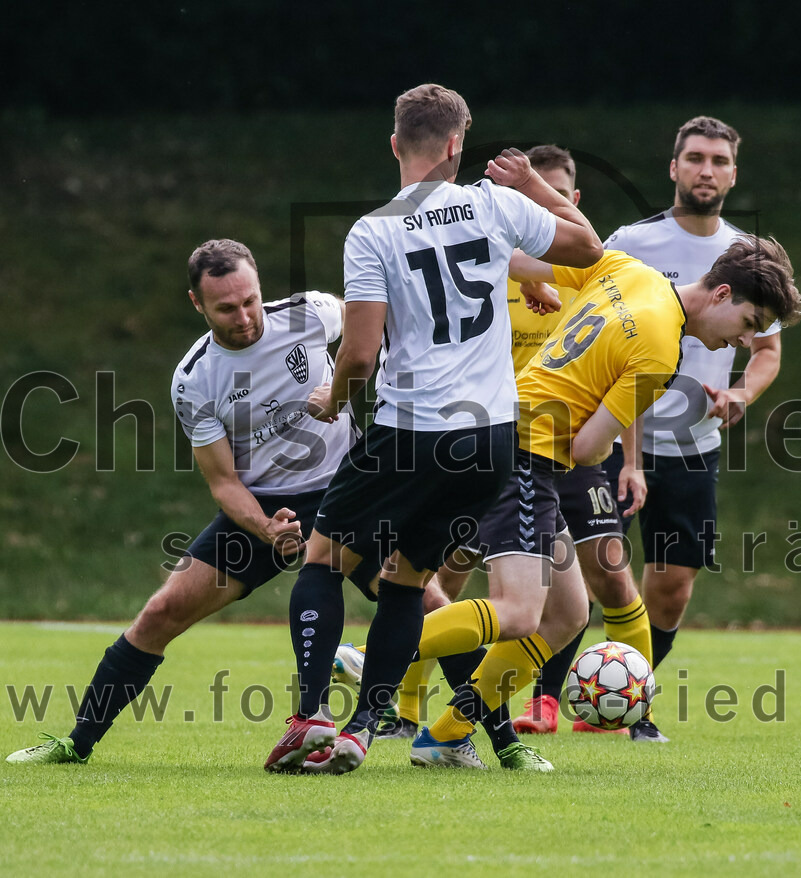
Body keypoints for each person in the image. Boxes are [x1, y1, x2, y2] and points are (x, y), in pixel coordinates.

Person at [263, 83, 603, 774]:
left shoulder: (374, 230)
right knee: (407, 580)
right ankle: (361, 729)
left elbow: (358, 354)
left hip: (412, 429)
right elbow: (590, 248)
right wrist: (537, 186)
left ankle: (309, 719)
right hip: (492, 442)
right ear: (456, 145)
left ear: (395, 144)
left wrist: (332, 402)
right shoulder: (493, 204)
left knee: (324, 562)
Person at [405, 237, 801, 768]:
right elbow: (589, 447)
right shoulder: (662, 350)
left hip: (508, 436)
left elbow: (529, 262)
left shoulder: (631, 271)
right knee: (520, 612)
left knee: (569, 614)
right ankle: (377, 654)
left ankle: (446, 735)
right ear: (722, 294)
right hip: (524, 451)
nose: (740, 341)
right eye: (749, 324)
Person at [6, 239, 356, 766]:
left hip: (346, 487)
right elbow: (223, 483)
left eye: (250, 300)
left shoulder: (311, 314)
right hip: (262, 504)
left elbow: (373, 332)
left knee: (415, 598)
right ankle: (76, 743)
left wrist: (346, 393)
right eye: (226, 308)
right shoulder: (195, 379)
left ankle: (476, 736)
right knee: (160, 612)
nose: (245, 318)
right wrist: (265, 529)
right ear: (197, 304)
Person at [387, 145, 652, 749]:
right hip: (504, 442)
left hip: (574, 452)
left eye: (547, 199)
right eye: (527, 200)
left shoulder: (593, 278)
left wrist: (631, 461)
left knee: (600, 583)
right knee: (457, 578)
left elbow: (625, 380)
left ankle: (635, 713)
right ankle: (403, 701)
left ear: (568, 204)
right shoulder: (487, 264)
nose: (535, 210)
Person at [600, 117, 784, 719]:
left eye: (720, 161)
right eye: (696, 158)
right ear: (674, 168)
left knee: (673, 586)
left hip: (692, 447)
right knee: (587, 572)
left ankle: (623, 700)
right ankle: (549, 697)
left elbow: (767, 353)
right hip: (606, 438)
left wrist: (741, 397)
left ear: (734, 173)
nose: (707, 170)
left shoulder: (745, 257)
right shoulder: (629, 241)